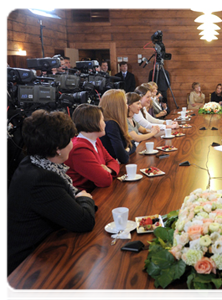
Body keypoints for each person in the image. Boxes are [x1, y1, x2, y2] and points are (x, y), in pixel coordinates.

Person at [5, 110, 96, 277]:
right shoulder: (41, 179)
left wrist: (80, 198)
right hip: (25, 268)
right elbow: (84, 221)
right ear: (57, 149)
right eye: (69, 140)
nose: (73, 144)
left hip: (41, 251)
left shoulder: (33, 162)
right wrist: (85, 198)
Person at [65, 104, 120, 192]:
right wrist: (107, 171)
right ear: (93, 122)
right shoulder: (79, 149)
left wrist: (108, 169)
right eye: (102, 119)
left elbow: (113, 161)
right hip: (85, 196)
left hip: (97, 191)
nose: (105, 123)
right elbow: (104, 180)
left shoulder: (96, 140)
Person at [99, 89, 136, 164]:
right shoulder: (111, 124)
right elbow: (123, 158)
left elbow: (133, 144)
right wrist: (127, 150)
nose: (127, 106)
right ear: (118, 106)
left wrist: (126, 150)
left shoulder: (112, 122)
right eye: (125, 103)